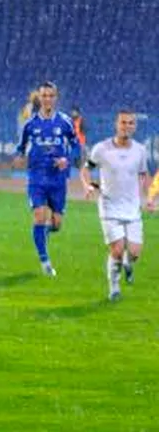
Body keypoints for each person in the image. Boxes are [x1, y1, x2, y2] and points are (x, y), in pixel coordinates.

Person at [80, 110, 153, 300]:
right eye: (123, 123)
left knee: (134, 254)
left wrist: (150, 198)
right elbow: (86, 168)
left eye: (130, 123)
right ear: (116, 124)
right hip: (109, 207)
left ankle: (129, 265)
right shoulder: (101, 149)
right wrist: (87, 185)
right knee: (118, 250)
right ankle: (114, 288)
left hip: (132, 208)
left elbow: (144, 174)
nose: (126, 126)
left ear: (135, 127)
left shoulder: (140, 150)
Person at [14, 82, 81, 276]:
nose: (47, 99)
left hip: (58, 180)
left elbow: (76, 146)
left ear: (55, 98)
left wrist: (66, 159)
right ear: (40, 98)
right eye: (44, 96)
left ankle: (42, 234)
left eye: (51, 95)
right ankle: (45, 262)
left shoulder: (65, 122)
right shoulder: (30, 124)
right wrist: (19, 156)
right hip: (37, 178)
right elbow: (20, 146)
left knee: (57, 224)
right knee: (39, 216)